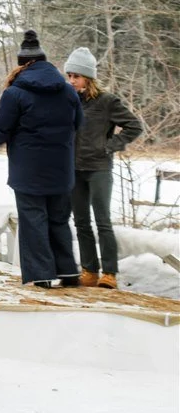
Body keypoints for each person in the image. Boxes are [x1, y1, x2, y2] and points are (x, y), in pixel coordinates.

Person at [0, 31, 84, 288]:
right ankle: (67, 271)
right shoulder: (67, 90)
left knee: (33, 220)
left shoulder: (15, 93)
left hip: (28, 170)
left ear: (22, 64)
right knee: (59, 219)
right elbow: (78, 123)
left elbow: (1, 129)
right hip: (61, 168)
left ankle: (41, 274)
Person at [63, 46, 143, 289]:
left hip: (99, 168)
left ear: (88, 77)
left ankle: (109, 273)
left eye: (76, 76)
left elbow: (134, 126)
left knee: (103, 221)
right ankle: (89, 270)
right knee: (81, 222)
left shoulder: (107, 101)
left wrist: (109, 146)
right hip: (74, 169)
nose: (72, 81)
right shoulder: (67, 101)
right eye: (69, 76)